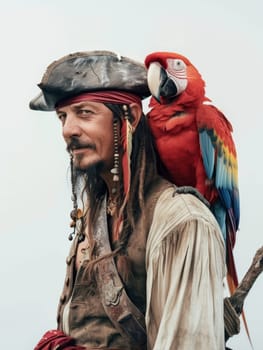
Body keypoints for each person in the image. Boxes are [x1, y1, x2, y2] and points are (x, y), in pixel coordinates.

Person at [30, 50, 226, 350]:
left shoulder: (181, 220)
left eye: (84, 113)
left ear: (131, 117)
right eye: (62, 117)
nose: (68, 130)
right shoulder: (95, 215)